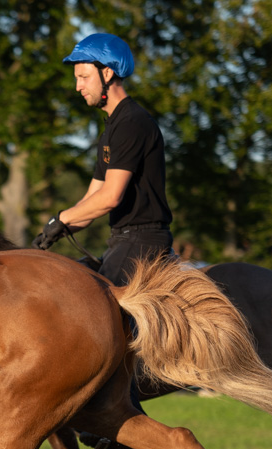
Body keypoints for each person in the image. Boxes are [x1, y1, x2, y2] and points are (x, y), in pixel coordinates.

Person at [33, 33, 173, 286]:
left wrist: (62, 218)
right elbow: (91, 202)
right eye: (77, 79)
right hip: (122, 240)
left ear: (107, 74)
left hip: (143, 244)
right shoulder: (111, 128)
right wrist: (52, 232)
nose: (78, 87)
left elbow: (110, 197)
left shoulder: (131, 123)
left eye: (84, 77)